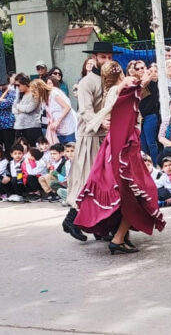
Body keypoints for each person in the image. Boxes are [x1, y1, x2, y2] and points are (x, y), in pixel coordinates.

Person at [74, 73, 165, 254]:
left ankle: (122, 237)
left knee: (129, 195)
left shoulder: (122, 98)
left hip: (121, 149)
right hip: (122, 150)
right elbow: (130, 98)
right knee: (134, 196)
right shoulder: (122, 97)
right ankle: (118, 238)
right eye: (129, 75)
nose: (133, 78)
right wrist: (142, 81)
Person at [64, 42, 122, 242]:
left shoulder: (115, 80)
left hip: (110, 137)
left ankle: (102, 227)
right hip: (91, 136)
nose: (106, 60)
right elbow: (85, 111)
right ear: (95, 58)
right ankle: (71, 219)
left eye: (109, 57)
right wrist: (101, 122)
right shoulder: (86, 82)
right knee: (88, 180)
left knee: (108, 184)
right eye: (102, 57)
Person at [131, 60, 161, 164]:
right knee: (142, 143)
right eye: (137, 68)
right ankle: (145, 166)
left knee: (151, 143)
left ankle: (156, 165)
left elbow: (153, 99)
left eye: (142, 68)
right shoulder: (134, 83)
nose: (140, 70)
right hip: (139, 117)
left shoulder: (152, 82)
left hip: (150, 116)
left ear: (146, 68)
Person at [43, 76, 77, 144]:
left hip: (67, 126)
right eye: (47, 83)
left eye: (51, 83)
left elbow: (67, 107)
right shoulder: (47, 96)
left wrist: (58, 121)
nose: (49, 85)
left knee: (69, 148)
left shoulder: (55, 93)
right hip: (57, 129)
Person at [11, 74, 42, 146]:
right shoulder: (19, 94)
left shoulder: (35, 93)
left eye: (18, 85)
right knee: (19, 149)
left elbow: (29, 109)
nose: (17, 88)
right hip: (19, 126)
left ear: (25, 83)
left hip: (32, 127)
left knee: (33, 150)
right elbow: (13, 109)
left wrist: (18, 107)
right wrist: (21, 108)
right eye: (16, 86)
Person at [0, 75, 17, 151]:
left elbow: (6, 104)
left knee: (9, 147)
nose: (2, 85)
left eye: (4, 83)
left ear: (8, 83)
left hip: (8, 123)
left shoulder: (12, 92)